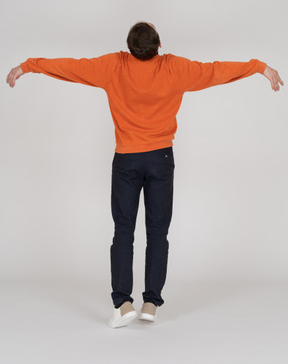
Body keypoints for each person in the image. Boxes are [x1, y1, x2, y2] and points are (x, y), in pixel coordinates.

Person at [6, 21, 284, 329]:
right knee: (158, 231)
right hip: (160, 159)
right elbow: (215, 70)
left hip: (126, 159)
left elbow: (72, 68)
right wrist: (259, 67)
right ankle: (151, 302)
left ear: (130, 48)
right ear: (158, 45)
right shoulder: (174, 68)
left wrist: (29, 66)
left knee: (123, 231)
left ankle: (123, 303)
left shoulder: (113, 65)